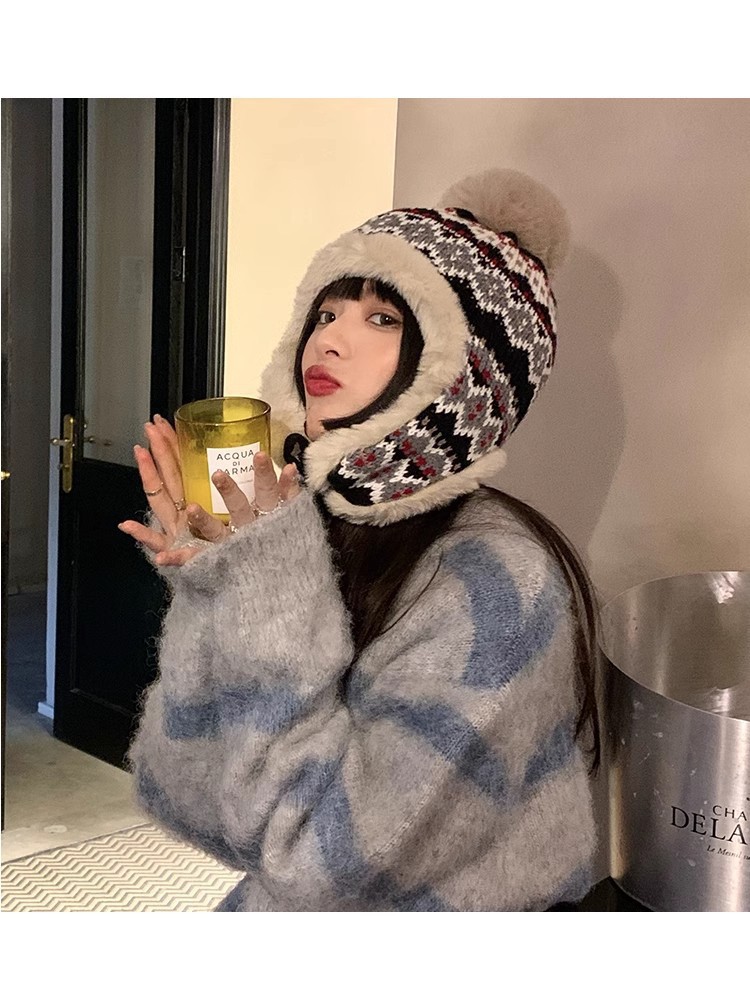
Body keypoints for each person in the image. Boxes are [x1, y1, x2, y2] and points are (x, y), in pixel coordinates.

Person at [120, 168, 600, 911]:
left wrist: (269, 586)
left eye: (383, 319)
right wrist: (219, 578)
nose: (331, 340)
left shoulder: (497, 587)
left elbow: (314, 856)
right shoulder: (311, 526)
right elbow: (181, 790)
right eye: (326, 312)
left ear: (461, 374)